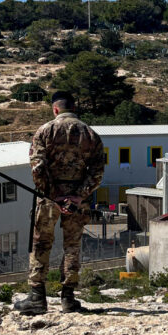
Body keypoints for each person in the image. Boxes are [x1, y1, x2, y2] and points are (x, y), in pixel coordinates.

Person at [15, 91, 105, 315]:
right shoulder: (90, 134)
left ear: (55, 109)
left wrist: (53, 194)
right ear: (74, 108)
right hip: (77, 200)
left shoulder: (45, 131)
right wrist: (79, 195)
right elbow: (97, 171)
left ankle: (37, 297)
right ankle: (68, 298)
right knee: (72, 247)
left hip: (49, 199)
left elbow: (38, 166)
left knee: (41, 244)